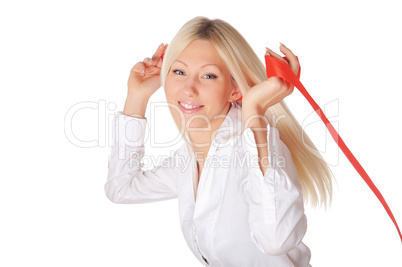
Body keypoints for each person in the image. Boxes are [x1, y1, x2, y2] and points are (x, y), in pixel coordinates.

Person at [105, 16, 334, 267]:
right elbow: (121, 188)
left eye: (209, 76)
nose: (188, 89)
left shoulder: (254, 150)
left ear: (235, 90)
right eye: (179, 71)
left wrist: (254, 109)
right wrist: (137, 96)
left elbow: (276, 241)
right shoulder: (189, 157)